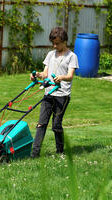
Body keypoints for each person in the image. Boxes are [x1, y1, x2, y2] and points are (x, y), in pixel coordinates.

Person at [30, 27, 79, 158]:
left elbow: (70, 76)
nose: (54, 45)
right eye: (53, 43)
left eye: (57, 43)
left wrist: (61, 77)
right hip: (48, 94)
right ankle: (34, 154)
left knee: (56, 125)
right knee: (41, 123)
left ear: (64, 41)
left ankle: (60, 151)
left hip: (62, 96)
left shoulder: (72, 56)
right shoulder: (51, 54)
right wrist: (37, 75)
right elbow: (45, 73)